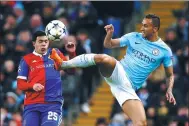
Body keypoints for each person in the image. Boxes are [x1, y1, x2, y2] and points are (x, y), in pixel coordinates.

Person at [50, 14, 176, 126]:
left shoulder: (164, 50)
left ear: (155, 29)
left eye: (146, 26)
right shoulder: (134, 36)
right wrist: (109, 35)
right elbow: (108, 45)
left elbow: (170, 74)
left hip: (127, 88)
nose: (142, 28)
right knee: (105, 58)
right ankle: (63, 64)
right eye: (142, 25)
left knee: (141, 122)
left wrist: (169, 89)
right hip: (118, 72)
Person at [17, 30, 76, 126]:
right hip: (32, 105)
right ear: (34, 43)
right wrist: (33, 86)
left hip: (52, 104)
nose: (44, 44)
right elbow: (20, 84)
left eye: (46, 41)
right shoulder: (26, 60)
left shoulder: (55, 53)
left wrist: (71, 53)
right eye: (40, 41)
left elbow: (71, 71)